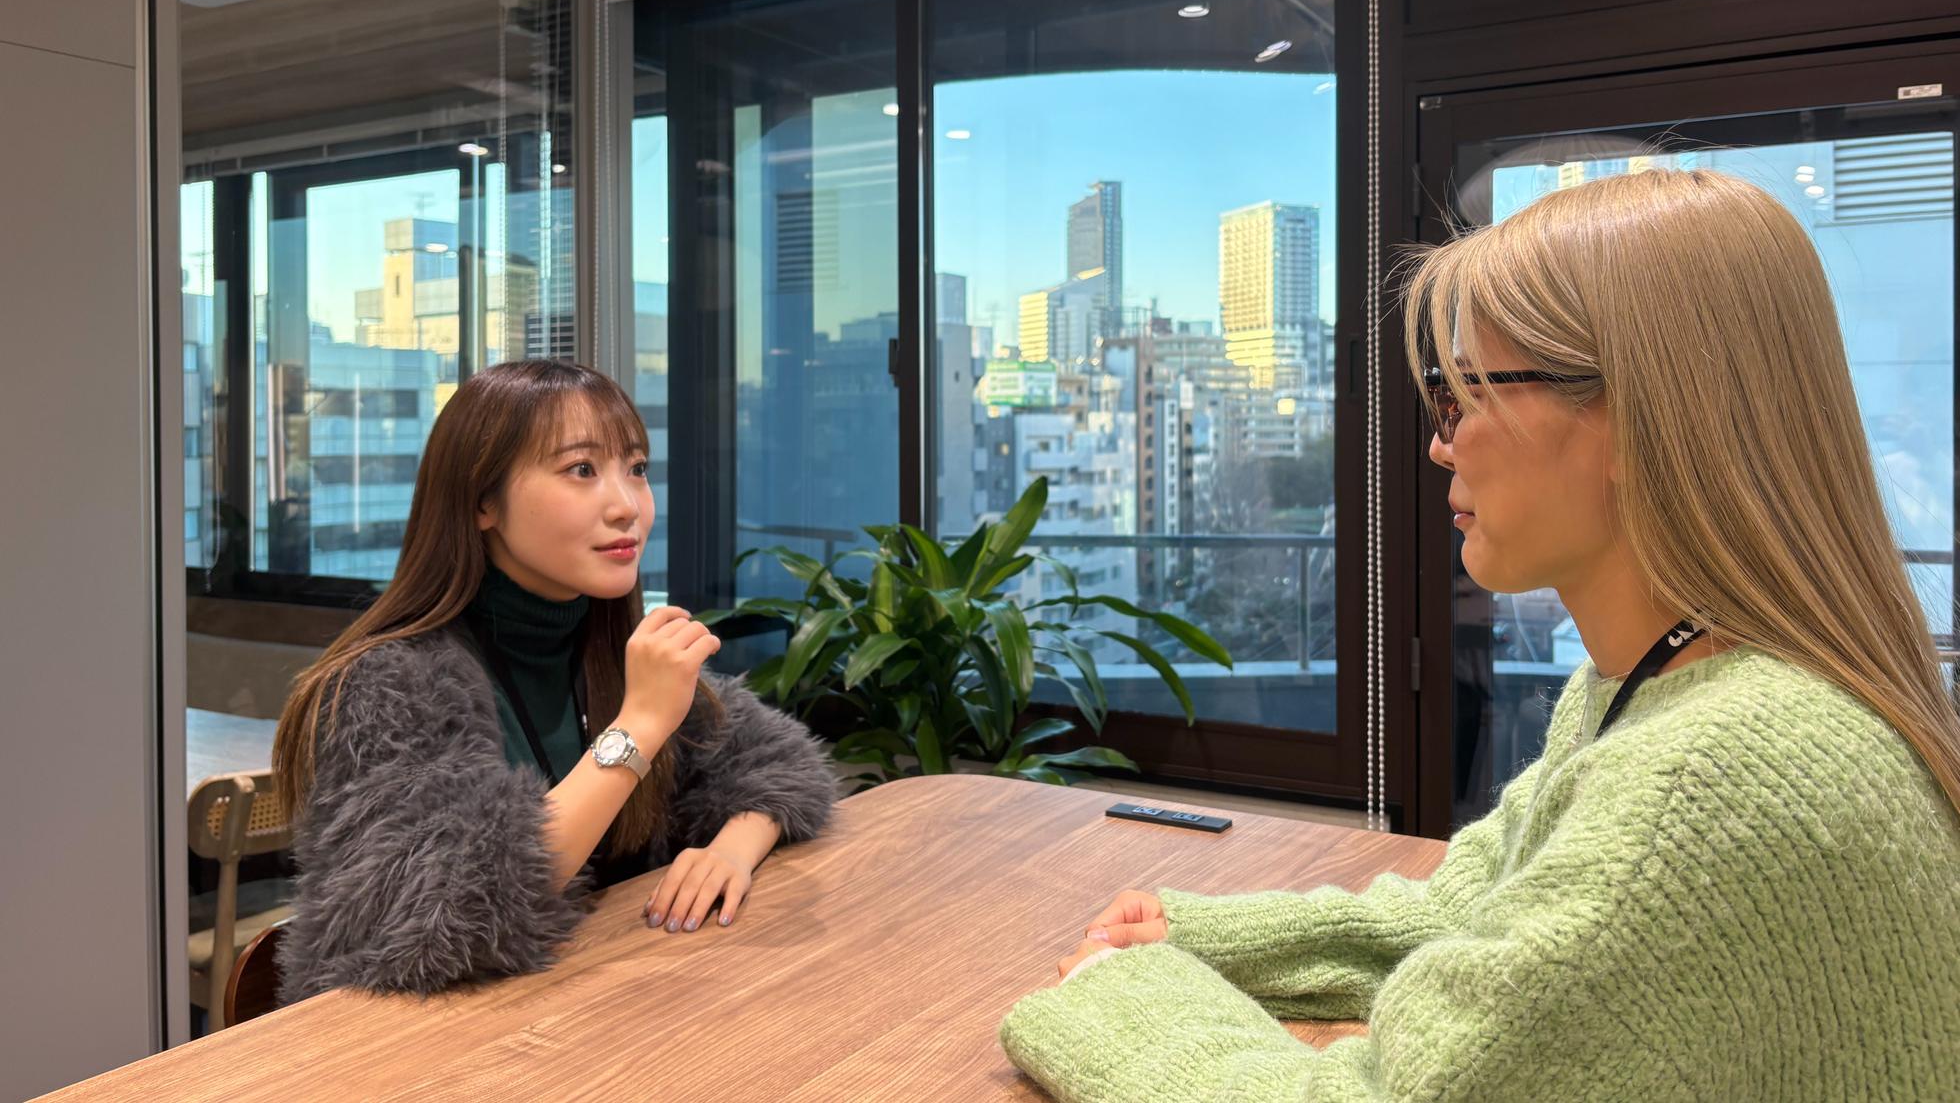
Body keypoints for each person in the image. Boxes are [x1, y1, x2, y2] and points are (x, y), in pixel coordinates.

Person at [999, 169, 1960, 1099]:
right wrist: (1199, 939)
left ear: (1633, 417)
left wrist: (1122, 998)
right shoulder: (1669, 684)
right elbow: (1488, 910)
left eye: (1462, 395)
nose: (1437, 441)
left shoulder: (1706, 787)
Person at [271, 360, 836, 1001]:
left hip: (596, 1011)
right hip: (415, 1040)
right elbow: (443, 915)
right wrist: (638, 727)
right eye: (581, 470)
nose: (627, 506)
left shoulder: (608, 647)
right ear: (483, 501)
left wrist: (731, 850)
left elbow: (780, 766)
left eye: (636, 468)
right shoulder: (384, 683)